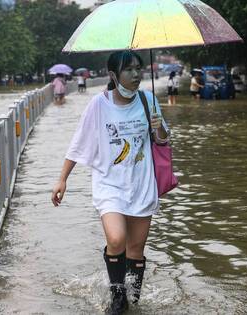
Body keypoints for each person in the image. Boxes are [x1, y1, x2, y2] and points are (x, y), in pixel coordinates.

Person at [51, 50, 170, 315]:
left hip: (141, 184)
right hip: (109, 184)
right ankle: (118, 297)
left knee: (136, 249)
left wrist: (158, 125)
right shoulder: (99, 104)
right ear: (114, 75)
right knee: (117, 239)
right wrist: (62, 179)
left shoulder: (148, 100)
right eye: (129, 70)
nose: (137, 74)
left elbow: (162, 140)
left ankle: (134, 300)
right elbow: (78, 142)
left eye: (138, 68)